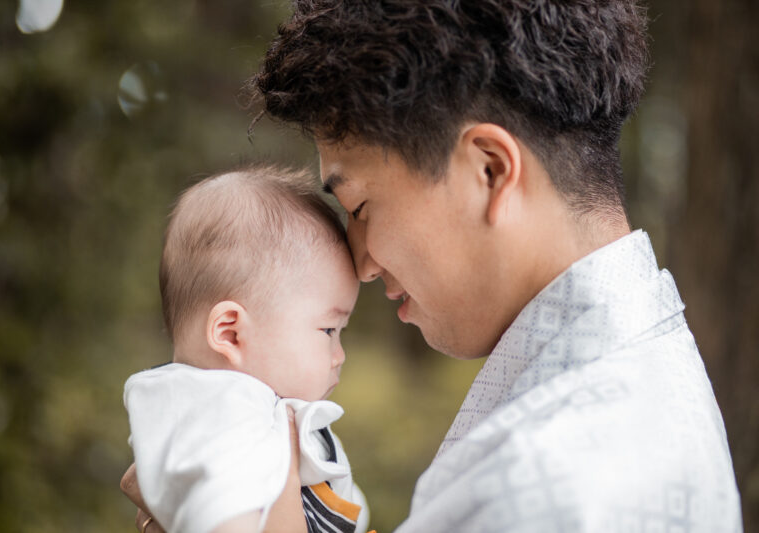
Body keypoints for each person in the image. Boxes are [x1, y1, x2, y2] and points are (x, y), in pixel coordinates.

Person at [246, 0, 743, 531]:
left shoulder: (539, 488)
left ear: (489, 169)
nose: (362, 264)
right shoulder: (639, 385)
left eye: (361, 208)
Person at [122, 165, 370, 533]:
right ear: (231, 333)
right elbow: (222, 512)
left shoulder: (262, 410)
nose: (340, 355)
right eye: (329, 329)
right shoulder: (219, 408)